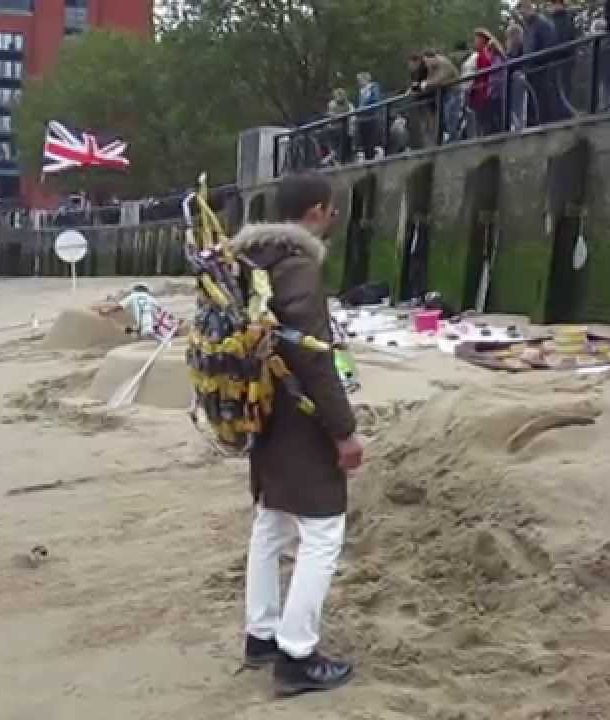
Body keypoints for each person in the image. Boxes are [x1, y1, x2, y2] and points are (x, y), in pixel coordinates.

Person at [232, 173, 364, 696]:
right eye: (331, 212)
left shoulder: (249, 262)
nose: (332, 220)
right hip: (298, 417)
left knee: (272, 521)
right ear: (315, 212)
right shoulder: (299, 266)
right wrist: (344, 430)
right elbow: (313, 357)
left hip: (260, 409)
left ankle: (261, 635)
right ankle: (296, 654)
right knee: (323, 530)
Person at [518, 2, 560, 125]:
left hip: (542, 69)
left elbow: (549, 45)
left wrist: (538, 60)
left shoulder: (542, 23)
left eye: (523, 12)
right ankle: (534, 122)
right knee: (533, 99)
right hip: (531, 70)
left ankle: (545, 122)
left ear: (529, 9)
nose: (522, 16)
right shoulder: (528, 27)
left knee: (543, 98)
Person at [469, 29, 507, 137]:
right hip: (482, 94)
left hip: (488, 93)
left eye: (476, 39)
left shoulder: (487, 54)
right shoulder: (480, 55)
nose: (474, 42)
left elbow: (493, 74)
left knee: (490, 124)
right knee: (484, 124)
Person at [421, 49, 461, 144]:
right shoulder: (432, 66)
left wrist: (426, 84)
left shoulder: (443, 63)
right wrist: (423, 84)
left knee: (450, 116)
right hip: (444, 93)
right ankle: (449, 138)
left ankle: (454, 140)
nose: (426, 64)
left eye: (426, 62)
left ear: (432, 58)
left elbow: (440, 79)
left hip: (453, 91)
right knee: (443, 118)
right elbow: (430, 78)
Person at [546, 0, 578, 111]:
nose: (550, 7)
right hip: (554, 61)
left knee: (564, 89)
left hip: (564, 60)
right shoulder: (551, 20)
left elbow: (566, 39)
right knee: (555, 91)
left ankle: (565, 113)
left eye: (552, 4)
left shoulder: (565, 18)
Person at [354, 72, 384, 160]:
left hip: (373, 115)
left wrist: (363, 106)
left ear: (366, 79)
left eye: (360, 80)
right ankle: (365, 155)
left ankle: (375, 153)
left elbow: (376, 99)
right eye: (358, 80)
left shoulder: (373, 86)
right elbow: (360, 104)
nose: (359, 82)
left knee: (373, 138)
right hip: (363, 118)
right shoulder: (361, 91)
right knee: (364, 138)